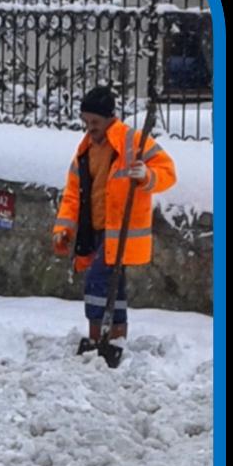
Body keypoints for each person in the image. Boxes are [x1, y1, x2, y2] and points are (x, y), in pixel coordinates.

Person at [52, 87, 176, 346]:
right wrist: (64, 228)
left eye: (95, 122)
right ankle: (117, 338)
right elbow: (73, 194)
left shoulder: (133, 142)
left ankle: (97, 335)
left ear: (110, 117)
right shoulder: (85, 151)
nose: (90, 128)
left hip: (120, 233)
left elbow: (168, 172)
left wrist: (146, 176)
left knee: (97, 281)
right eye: (85, 122)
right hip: (93, 230)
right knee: (113, 286)